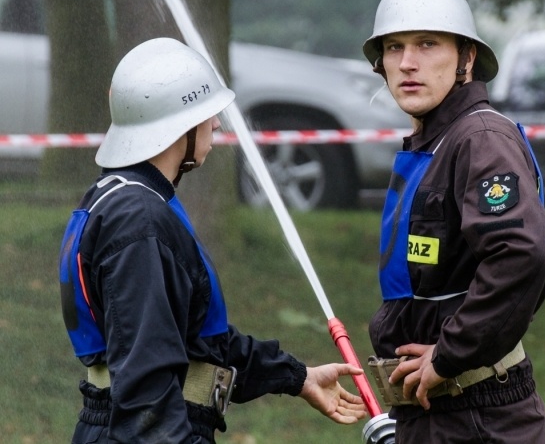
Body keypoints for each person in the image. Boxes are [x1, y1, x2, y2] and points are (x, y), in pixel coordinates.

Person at [58, 37, 366, 443]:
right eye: (205, 114)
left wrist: (296, 377)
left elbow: (199, 340)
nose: (217, 124)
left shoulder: (127, 201)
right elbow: (146, 387)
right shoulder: (138, 221)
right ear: (177, 125)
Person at [362, 0, 545, 443]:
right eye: (394, 47)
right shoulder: (435, 140)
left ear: (466, 59)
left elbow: (524, 254)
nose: (408, 62)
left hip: (478, 417)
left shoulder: (480, 138)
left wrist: (448, 354)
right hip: (437, 413)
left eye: (428, 44)